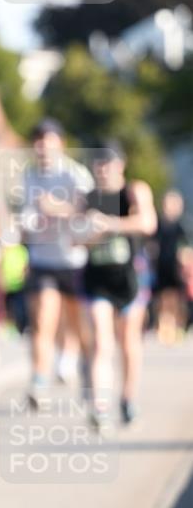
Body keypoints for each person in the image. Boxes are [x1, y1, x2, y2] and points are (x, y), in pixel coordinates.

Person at [18, 118, 94, 409]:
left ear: (59, 144)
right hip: (42, 259)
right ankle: (39, 382)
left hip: (73, 260)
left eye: (47, 140)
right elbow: (27, 212)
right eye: (37, 141)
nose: (42, 147)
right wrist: (26, 224)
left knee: (79, 326)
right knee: (42, 320)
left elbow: (90, 212)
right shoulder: (29, 176)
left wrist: (58, 208)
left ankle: (87, 378)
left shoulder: (76, 174)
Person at [82, 141, 157, 427]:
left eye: (107, 163)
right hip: (97, 279)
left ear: (120, 165)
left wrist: (110, 224)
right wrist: (90, 233)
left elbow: (148, 223)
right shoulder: (88, 198)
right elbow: (75, 239)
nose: (102, 170)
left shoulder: (134, 191)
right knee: (101, 342)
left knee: (128, 342)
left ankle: (127, 397)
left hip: (130, 278)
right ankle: (100, 407)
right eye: (97, 164)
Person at [152, 189, 188, 344]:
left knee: (176, 299)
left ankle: (177, 326)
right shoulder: (158, 225)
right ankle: (165, 327)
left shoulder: (182, 226)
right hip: (161, 266)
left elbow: (186, 248)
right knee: (162, 299)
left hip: (176, 269)